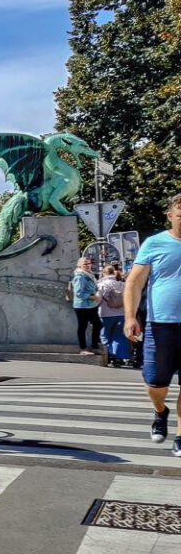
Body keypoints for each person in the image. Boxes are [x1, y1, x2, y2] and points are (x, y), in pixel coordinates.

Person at [124, 193, 181, 456]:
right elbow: (134, 283)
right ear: (170, 216)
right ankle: (161, 411)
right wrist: (130, 316)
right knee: (156, 384)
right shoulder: (155, 243)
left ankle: (180, 435)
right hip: (161, 325)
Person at [98, 262, 130, 367]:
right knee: (119, 335)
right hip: (121, 313)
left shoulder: (102, 284)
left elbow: (98, 298)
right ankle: (120, 357)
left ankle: (109, 356)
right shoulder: (122, 283)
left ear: (104, 273)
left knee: (105, 335)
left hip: (106, 313)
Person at [72, 257, 103, 355]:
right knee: (83, 326)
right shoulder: (80, 276)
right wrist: (92, 297)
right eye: (85, 264)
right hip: (82, 306)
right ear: (79, 265)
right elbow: (78, 293)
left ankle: (94, 346)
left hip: (91, 305)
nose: (87, 265)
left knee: (97, 324)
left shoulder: (89, 275)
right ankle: (83, 348)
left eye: (89, 263)